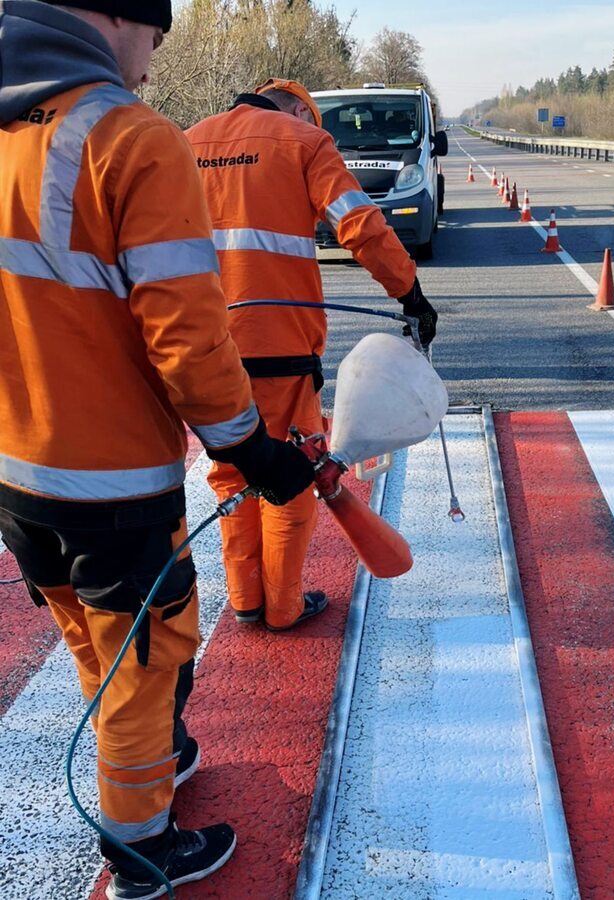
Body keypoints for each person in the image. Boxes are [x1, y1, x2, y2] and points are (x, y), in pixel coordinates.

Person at [0, 2, 316, 897]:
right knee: (143, 665)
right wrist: (251, 447)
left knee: (90, 641)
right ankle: (142, 854)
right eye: (154, 35)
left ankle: (150, 761)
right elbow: (188, 338)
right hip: (111, 479)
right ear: (114, 15)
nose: (151, 61)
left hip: (14, 470)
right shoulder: (130, 137)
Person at [185, 79, 437, 631]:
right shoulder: (302, 142)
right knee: (291, 474)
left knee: (231, 473)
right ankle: (283, 607)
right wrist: (410, 293)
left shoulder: (184, 142)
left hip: (201, 348)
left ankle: (245, 598)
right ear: (301, 110)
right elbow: (360, 226)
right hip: (278, 348)